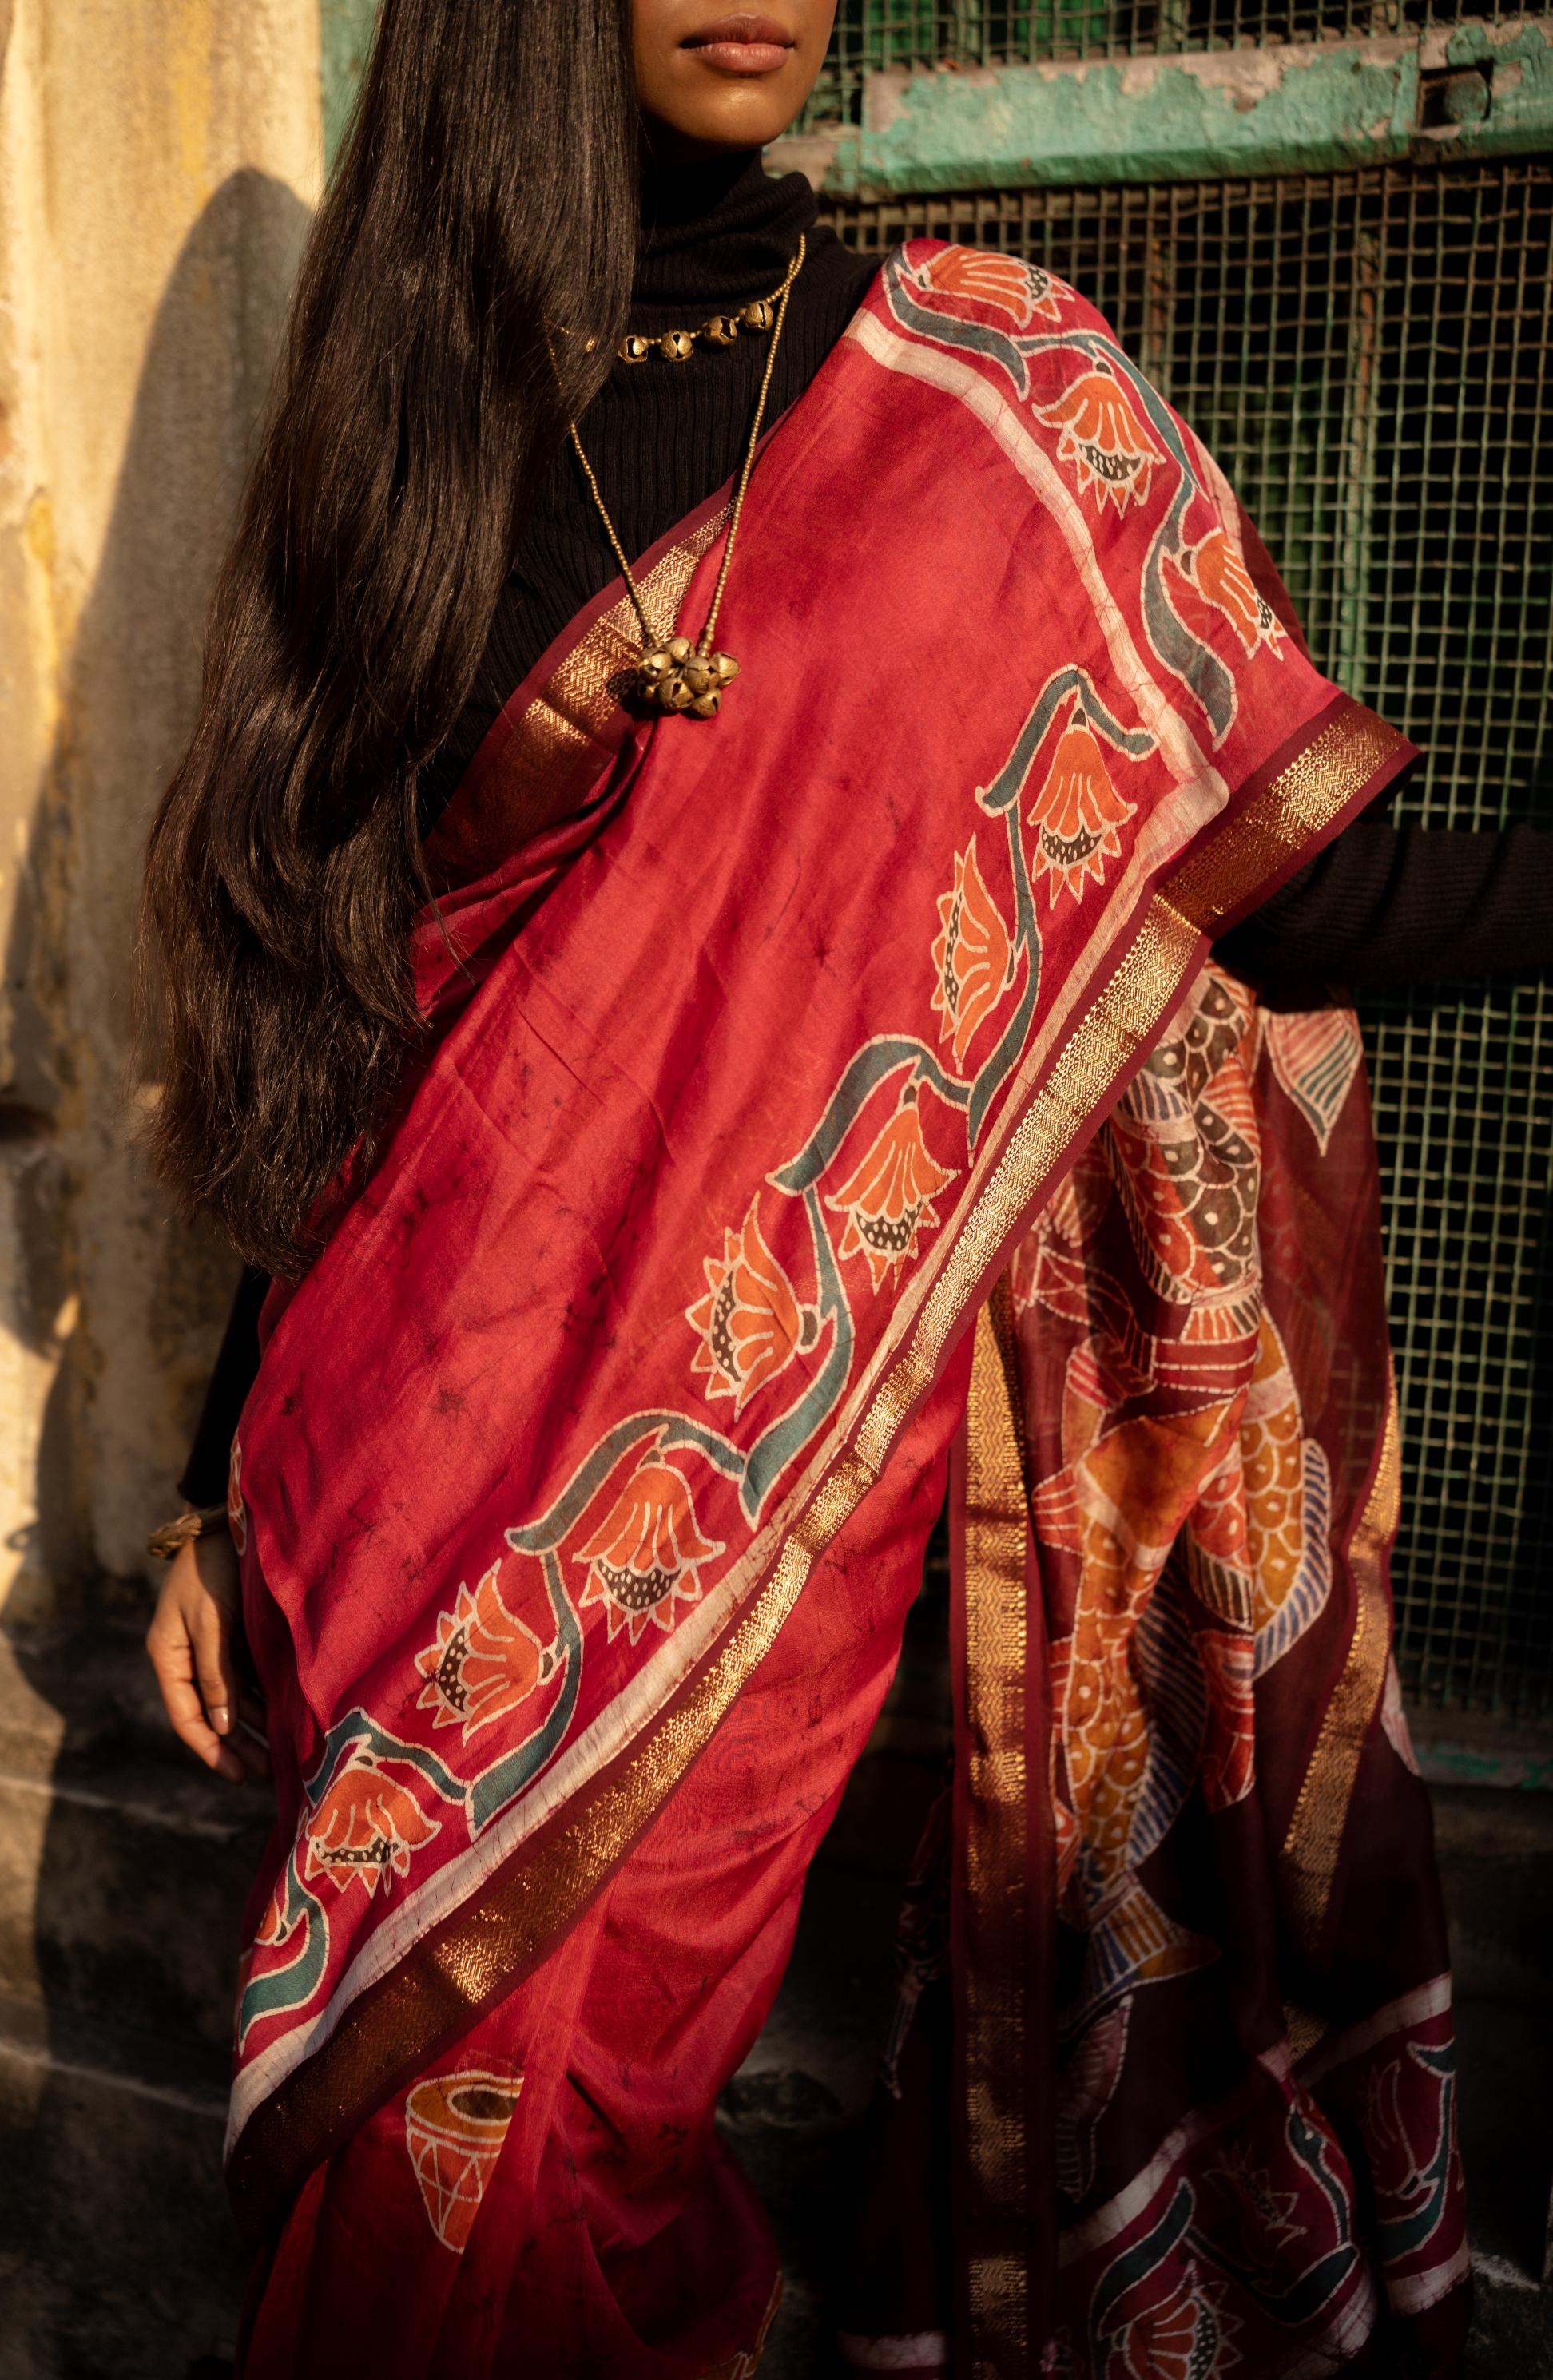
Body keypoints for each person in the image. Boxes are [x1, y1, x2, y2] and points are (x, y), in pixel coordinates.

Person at [138, 5, 1548, 2374]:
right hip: (396, 1490)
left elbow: (1289, 889)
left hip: (749, 1488)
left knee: (545, 2140)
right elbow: (359, 1010)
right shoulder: (414, 432)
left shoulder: (984, 406)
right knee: (407, 2158)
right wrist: (208, 1460)